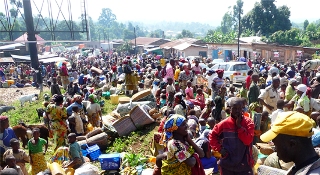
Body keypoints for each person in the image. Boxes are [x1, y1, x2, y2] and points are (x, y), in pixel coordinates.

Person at [209, 97, 254, 174]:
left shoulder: (248, 122)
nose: (237, 111)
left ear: (242, 108)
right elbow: (212, 136)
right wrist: (220, 149)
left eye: (239, 108)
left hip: (244, 164)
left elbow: (247, 141)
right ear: (230, 109)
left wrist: (239, 126)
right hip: (227, 164)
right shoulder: (224, 124)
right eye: (234, 108)